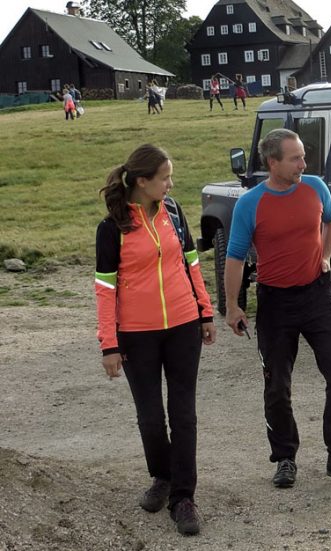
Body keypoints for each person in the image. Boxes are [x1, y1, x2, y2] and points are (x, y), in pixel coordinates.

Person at [223, 128, 331, 488]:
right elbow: (235, 257)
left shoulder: (315, 187)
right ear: (273, 163)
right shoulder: (250, 203)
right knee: (277, 385)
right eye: (295, 158)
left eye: (303, 156)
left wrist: (326, 256)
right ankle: (285, 458)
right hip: (275, 302)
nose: (303, 164)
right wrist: (233, 306)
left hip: (318, 295)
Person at [95, 144, 216, 535]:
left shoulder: (174, 212)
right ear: (142, 181)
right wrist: (109, 344)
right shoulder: (111, 228)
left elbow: (191, 264)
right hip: (136, 335)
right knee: (150, 417)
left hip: (183, 326)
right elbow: (105, 290)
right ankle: (162, 476)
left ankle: (183, 497)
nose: (170, 184)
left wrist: (205, 312)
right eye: (164, 178)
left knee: (184, 415)